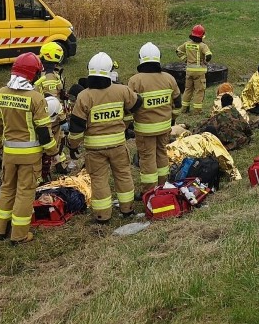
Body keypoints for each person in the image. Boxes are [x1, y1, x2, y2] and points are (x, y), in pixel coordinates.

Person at [0, 52, 59, 244]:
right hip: (29, 156)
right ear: (32, 74)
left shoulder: (0, 93)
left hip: (9, 154)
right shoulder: (36, 98)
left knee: (6, 189)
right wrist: (54, 153)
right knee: (24, 193)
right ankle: (19, 235)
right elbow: (44, 132)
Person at [67, 52, 141, 222]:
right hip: (118, 145)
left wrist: (72, 146)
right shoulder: (122, 90)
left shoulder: (84, 96)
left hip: (95, 149)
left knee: (99, 180)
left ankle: (102, 216)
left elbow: (76, 127)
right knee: (123, 175)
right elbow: (137, 104)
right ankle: (127, 209)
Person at [128, 42, 182, 191]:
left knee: (147, 158)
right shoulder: (169, 78)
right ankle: (163, 185)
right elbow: (178, 102)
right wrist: (172, 119)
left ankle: (150, 191)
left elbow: (129, 106)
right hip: (164, 126)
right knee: (162, 153)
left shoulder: (135, 81)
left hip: (145, 130)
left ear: (141, 58)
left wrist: (128, 124)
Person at [36, 42, 69, 174]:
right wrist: (62, 118)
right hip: (52, 115)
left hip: (47, 112)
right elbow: (52, 99)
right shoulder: (49, 77)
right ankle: (54, 166)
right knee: (56, 139)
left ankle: (57, 162)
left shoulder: (45, 73)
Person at [176, 24, 212, 114]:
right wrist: (205, 60)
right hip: (199, 73)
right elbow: (208, 55)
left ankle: (184, 108)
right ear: (202, 36)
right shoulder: (203, 46)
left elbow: (178, 51)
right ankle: (197, 110)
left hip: (189, 71)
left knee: (188, 89)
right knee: (199, 90)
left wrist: (185, 59)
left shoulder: (187, 44)